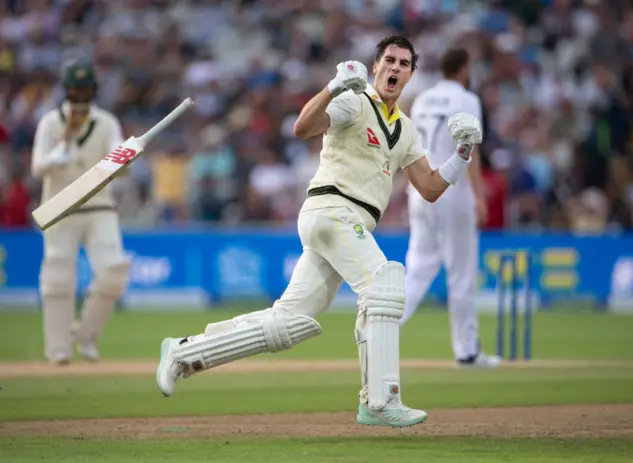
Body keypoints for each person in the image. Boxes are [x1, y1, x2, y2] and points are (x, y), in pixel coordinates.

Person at [155, 36, 482, 428]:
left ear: (412, 74)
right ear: (375, 65)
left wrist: (462, 153)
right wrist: (332, 86)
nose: (395, 68)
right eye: (389, 61)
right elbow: (302, 127)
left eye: (404, 63)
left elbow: (429, 188)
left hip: (347, 223)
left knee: (288, 323)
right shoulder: (354, 100)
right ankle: (380, 400)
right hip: (332, 209)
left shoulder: (407, 129)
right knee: (384, 285)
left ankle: (184, 353)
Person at [400, 48, 500, 368]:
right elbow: (470, 150)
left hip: (420, 189)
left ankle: (380, 327)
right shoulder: (466, 99)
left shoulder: (421, 99)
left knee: (417, 268)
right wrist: (480, 197)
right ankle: (467, 351)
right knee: (461, 273)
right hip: (452, 189)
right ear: (464, 68)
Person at [31, 61, 130, 365]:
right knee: (58, 275)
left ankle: (85, 335)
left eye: (86, 89)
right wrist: (54, 160)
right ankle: (57, 347)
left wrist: (123, 159)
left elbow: (119, 162)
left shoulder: (107, 122)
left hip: (100, 207)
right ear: (67, 89)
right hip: (61, 207)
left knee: (114, 270)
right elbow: (37, 168)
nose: (80, 94)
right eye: (76, 88)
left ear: (94, 90)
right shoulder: (50, 122)